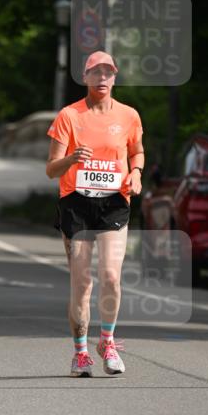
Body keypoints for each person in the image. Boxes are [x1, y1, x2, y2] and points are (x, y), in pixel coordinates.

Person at [46, 51, 144, 377]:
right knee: (83, 282)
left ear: (115, 77)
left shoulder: (129, 115)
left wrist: (137, 173)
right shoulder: (69, 116)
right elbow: (50, 169)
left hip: (114, 202)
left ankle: (108, 341)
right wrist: (72, 159)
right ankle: (80, 353)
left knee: (112, 278)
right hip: (76, 203)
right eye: (95, 72)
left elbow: (137, 151)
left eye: (108, 72)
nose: (102, 78)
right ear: (85, 77)